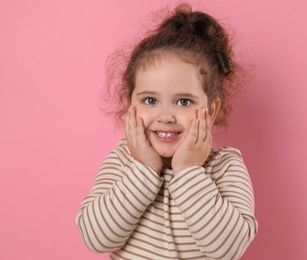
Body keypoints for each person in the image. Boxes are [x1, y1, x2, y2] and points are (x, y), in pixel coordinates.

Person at [76, 3, 258, 259]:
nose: (166, 117)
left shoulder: (225, 166)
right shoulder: (123, 160)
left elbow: (227, 249)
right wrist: (145, 169)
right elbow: (96, 238)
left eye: (184, 102)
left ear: (211, 109)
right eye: (150, 100)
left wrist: (189, 170)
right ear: (131, 106)